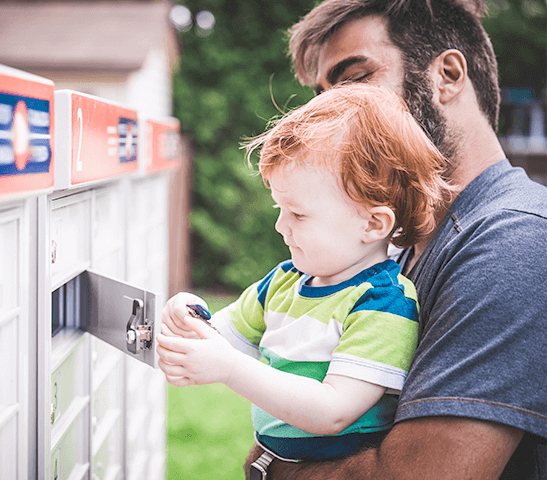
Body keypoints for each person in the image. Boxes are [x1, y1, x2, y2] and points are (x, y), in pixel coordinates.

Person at [239, 0, 547, 477]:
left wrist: (268, 465)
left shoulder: (515, 243)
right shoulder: (391, 249)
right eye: (321, 96)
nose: (331, 111)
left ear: (447, 75)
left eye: (354, 80)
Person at [156, 83, 455, 470]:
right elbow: (217, 338)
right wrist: (190, 314)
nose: (281, 226)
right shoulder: (284, 282)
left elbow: (333, 410)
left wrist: (228, 368)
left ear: (373, 223)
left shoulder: (383, 304)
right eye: (280, 208)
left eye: (298, 214)